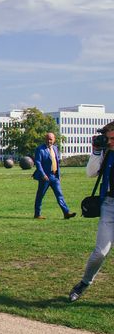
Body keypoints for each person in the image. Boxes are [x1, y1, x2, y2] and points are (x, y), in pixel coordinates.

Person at [69, 122, 114, 302]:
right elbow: (90, 173)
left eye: (113, 139)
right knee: (100, 252)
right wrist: (96, 151)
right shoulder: (106, 152)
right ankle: (84, 283)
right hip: (109, 206)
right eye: (108, 139)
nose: (110, 142)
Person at [33, 132, 76, 220]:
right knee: (40, 196)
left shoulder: (55, 148)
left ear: (54, 140)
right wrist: (43, 174)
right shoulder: (40, 149)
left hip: (54, 176)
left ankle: (66, 213)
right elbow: (38, 162)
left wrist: (58, 175)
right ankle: (37, 214)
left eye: (51, 139)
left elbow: (56, 161)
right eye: (47, 139)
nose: (49, 141)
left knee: (60, 195)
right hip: (45, 177)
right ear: (45, 139)